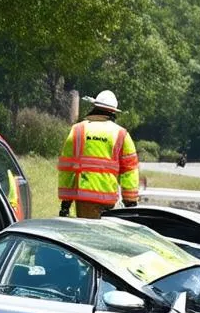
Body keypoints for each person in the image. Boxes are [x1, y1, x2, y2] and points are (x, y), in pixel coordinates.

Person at [57, 90, 140, 218]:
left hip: (84, 199)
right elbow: (129, 171)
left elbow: (67, 169)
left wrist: (65, 203)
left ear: (94, 107)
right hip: (108, 200)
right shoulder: (121, 134)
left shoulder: (77, 130)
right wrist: (130, 202)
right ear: (113, 112)